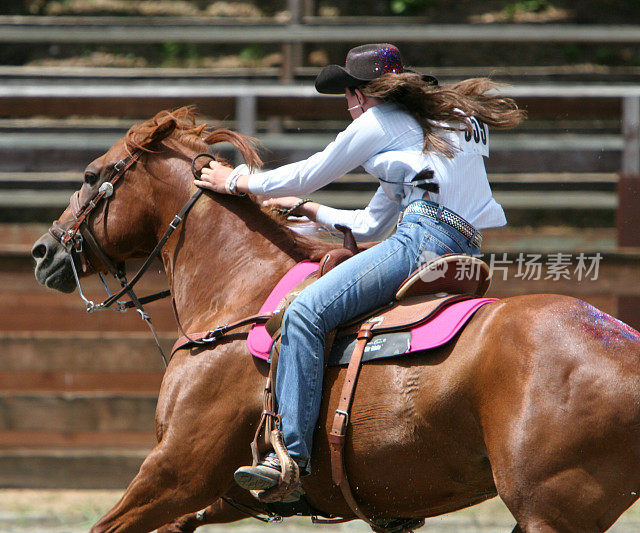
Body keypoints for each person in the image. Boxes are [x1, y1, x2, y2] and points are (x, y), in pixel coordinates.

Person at [194, 43, 525, 500]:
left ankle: (288, 456)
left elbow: (308, 172)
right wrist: (311, 212)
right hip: (462, 244)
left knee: (306, 313)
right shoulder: (443, 120)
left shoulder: (378, 121)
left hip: (421, 240)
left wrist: (234, 180)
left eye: (348, 96)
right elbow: (371, 223)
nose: (348, 108)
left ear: (360, 94)